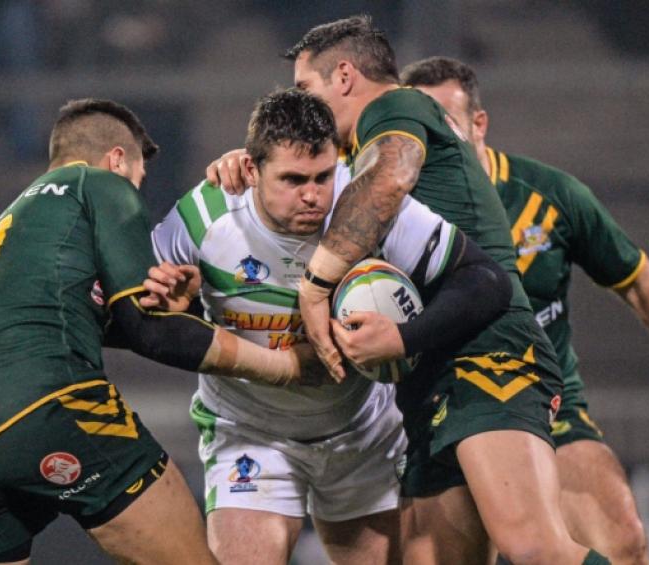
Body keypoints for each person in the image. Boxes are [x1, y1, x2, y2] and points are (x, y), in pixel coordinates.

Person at [0, 98, 321, 565]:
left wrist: (184, 305)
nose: (136, 190)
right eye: (138, 177)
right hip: (54, 406)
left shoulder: (13, 231)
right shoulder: (95, 184)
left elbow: (75, 318)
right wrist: (284, 366)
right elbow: (150, 332)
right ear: (117, 159)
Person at [285, 14, 612, 565]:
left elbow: (391, 177)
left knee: (534, 547)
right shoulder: (354, 150)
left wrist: (314, 287)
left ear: (344, 76)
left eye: (305, 88)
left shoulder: (395, 106)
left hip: (489, 349)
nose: (302, 105)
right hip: (433, 365)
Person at [150, 88, 513, 565]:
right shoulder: (201, 219)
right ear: (251, 170)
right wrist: (182, 309)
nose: (313, 195)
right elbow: (135, 320)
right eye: (293, 179)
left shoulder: (364, 206)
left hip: (362, 434)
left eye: (322, 176)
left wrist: (403, 338)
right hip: (251, 434)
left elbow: (487, 281)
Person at [400, 55, 649, 563]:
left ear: (478, 124)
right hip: (440, 413)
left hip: (544, 409)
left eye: (445, 123)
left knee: (622, 543)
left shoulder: (547, 196)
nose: (433, 139)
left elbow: (636, 277)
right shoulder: (395, 210)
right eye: (420, 128)